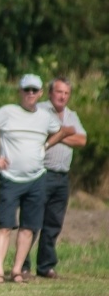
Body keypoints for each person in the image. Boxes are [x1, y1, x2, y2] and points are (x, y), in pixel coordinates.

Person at [0, 74, 73, 284]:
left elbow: (62, 131)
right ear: (20, 92)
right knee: (5, 226)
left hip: (37, 178)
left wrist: (45, 146)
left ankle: (17, 271)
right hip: (10, 178)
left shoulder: (45, 117)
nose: (30, 94)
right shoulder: (8, 112)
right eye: (26, 90)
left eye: (34, 90)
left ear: (40, 94)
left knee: (29, 227)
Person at [21, 77, 87, 279]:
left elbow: (82, 140)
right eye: (59, 92)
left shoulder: (71, 115)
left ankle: (45, 265)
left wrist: (58, 134)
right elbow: (36, 134)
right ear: (50, 93)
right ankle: (22, 265)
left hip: (62, 176)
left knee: (53, 223)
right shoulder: (40, 111)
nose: (63, 96)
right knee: (32, 221)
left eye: (66, 93)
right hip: (41, 172)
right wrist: (66, 135)